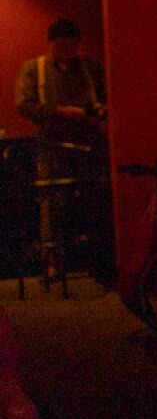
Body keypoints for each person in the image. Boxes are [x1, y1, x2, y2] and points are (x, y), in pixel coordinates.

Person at [13, 19, 110, 271]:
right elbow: (23, 104)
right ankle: (53, 260)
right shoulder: (35, 69)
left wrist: (98, 111)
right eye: (62, 43)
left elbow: (109, 98)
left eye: (72, 43)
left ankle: (96, 257)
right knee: (52, 200)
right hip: (51, 143)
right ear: (51, 43)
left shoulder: (91, 68)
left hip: (89, 142)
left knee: (94, 195)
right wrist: (59, 112)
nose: (68, 48)